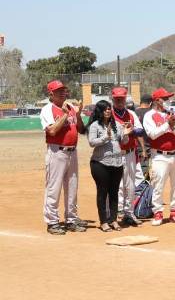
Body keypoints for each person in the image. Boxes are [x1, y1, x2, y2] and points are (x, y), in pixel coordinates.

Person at [40, 80, 87, 235]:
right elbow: (52, 131)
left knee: (72, 187)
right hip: (56, 152)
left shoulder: (71, 108)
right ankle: (52, 221)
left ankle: (71, 219)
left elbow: (80, 129)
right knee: (54, 187)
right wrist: (65, 115)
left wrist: (78, 114)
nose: (63, 92)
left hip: (72, 152)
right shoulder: (48, 109)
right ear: (51, 93)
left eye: (64, 90)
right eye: (59, 90)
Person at [143, 88, 175, 226]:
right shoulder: (149, 115)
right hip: (160, 155)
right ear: (157, 100)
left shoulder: (173, 114)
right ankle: (158, 213)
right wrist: (167, 125)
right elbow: (152, 134)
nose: (168, 101)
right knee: (158, 185)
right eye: (165, 98)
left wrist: (172, 127)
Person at [87, 100, 129, 232]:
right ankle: (104, 221)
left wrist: (126, 134)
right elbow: (92, 142)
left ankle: (114, 220)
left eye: (109, 108)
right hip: (100, 164)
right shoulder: (95, 126)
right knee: (102, 192)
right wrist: (106, 136)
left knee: (114, 192)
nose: (108, 111)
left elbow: (123, 141)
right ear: (100, 111)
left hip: (117, 163)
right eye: (105, 109)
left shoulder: (116, 124)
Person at [111, 87, 145, 227]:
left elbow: (141, 130)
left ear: (125, 100)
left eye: (122, 99)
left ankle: (129, 212)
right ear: (112, 99)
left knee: (130, 184)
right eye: (117, 99)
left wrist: (131, 129)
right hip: (115, 154)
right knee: (117, 185)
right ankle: (117, 211)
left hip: (130, 152)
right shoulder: (109, 114)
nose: (119, 101)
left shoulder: (131, 113)